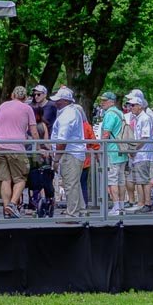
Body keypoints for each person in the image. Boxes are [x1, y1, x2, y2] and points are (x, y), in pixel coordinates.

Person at [0, 87, 34, 217]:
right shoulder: (27, 109)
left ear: (12, 95)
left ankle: (6, 210)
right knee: (20, 178)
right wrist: (40, 145)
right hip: (16, 148)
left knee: (5, 179)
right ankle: (12, 204)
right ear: (25, 97)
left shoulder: (2, 106)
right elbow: (33, 130)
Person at [49, 88, 88, 218]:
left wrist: (56, 159)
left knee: (70, 184)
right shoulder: (72, 112)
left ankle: (72, 214)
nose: (56, 103)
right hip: (73, 153)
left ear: (65, 101)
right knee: (74, 182)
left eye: (58, 100)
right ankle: (81, 210)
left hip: (70, 154)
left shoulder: (67, 115)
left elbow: (62, 141)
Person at [125, 90, 153, 212]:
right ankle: (143, 203)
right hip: (139, 154)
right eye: (130, 105)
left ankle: (148, 203)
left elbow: (144, 138)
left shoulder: (145, 118)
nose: (131, 107)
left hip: (143, 154)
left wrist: (134, 149)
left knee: (144, 180)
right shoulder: (139, 118)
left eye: (133, 105)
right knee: (140, 180)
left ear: (140, 106)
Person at [97, 90, 129, 216]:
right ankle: (121, 206)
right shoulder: (120, 113)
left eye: (104, 101)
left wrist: (100, 148)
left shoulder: (109, 114)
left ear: (111, 102)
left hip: (111, 151)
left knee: (112, 180)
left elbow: (106, 133)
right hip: (122, 151)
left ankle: (115, 207)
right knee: (121, 180)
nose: (101, 103)